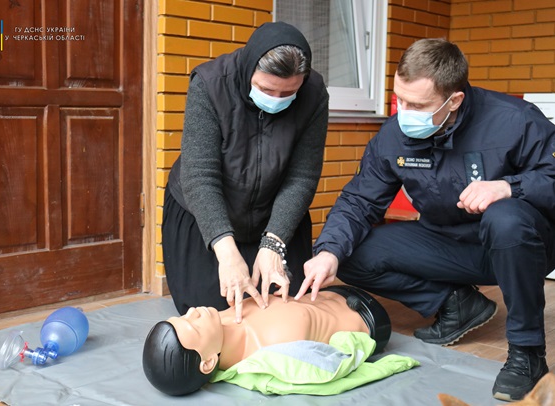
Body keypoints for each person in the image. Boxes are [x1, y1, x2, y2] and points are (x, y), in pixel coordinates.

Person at [295, 38, 555, 402]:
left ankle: (528, 354)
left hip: (520, 246)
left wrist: (508, 187)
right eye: (400, 99)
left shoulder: (515, 120)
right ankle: (454, 303)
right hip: (448, 244)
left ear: (455, 101)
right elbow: (360, 199)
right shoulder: (394, 135)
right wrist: (328, 252)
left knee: (505, 218)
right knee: (349, 252)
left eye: (417, 105)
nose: (404, 112)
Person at [163, 21, 329, 323]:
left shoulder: (314, 93)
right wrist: (226, 253)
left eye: (288, 92)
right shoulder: (210, 84)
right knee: (215, 308)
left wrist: (274, 244)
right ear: (249, 70)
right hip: (205, 210)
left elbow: (302, 177)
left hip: (272, 211)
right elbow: (200, 175)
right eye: (266, 89)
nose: (277, 100)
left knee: (282, 299)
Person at [142, 285, 391, 396]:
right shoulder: (272, 347)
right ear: (207, 363)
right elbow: (331, 367)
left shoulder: (222, 316)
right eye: (193, 325)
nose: (194, 311)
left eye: (184, 315)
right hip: (368, 316)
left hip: (333, 288)